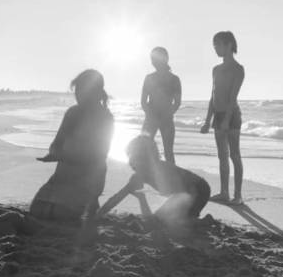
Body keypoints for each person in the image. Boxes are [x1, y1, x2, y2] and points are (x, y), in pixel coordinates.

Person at [29, 69, 114, 224]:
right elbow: (56, 143)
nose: (78, 95)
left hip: (89, 178)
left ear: (95, 92)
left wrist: (64, 156)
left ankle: (90, 202)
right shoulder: (72, 113)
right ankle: (84, 206)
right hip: (63, 176)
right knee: (37, 211)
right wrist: (54, 153)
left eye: (82, 91)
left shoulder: (105, 118)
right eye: (77, 91)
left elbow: (100, 155)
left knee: (62, 217)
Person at [95, 135, 210, 222]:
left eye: (134, 157)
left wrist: (186, 210)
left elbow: (188, 190)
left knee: (171, 221)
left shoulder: (162, 169)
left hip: (200, 190)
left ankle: (198, 221)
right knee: (158, 218)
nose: (131, 163)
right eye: (130, 157)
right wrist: (100, 213)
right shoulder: (140, 175)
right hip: (183, 193)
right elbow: (119, 196)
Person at [200, 31, 245, 206]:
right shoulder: (216, 69)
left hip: (232, 115)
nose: (215, 48)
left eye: (218, 45)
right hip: (218, 116)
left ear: (229, 45)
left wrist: (227, 119)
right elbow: (213, 95)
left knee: (234, 155)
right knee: (222, 156)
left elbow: (233, 97)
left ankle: (238, 195)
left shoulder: (238, 69)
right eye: (214, 45)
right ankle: (224, 193)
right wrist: (207, 120)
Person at [140, 47, 182, 164]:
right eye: (152, 59)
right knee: (143, 150)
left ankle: (171, 175)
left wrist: (167, 114)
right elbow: (143, 101)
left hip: (166, 119)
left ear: (165, 59)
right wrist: (150, 115)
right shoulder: (149, 78)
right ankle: (143, 174)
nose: (153, 62)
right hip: (151, 118)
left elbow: (177, 102)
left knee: (168, 152)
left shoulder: (174, 79)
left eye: (155, 59)